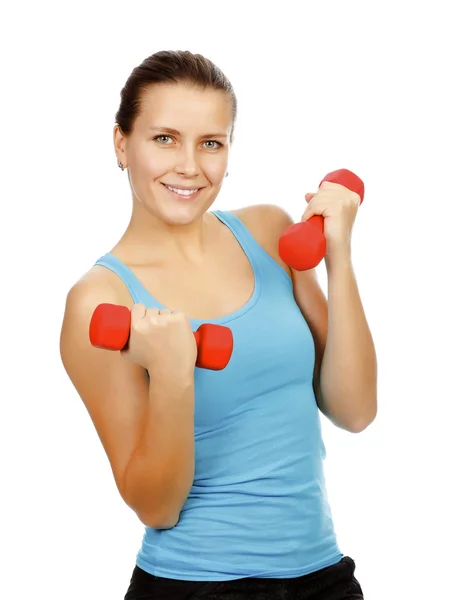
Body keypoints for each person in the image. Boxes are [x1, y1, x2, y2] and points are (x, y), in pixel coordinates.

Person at [59, 49, 377, 599]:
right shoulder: (99, 301)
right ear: (121, 144)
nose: (189, 165)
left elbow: (355, 410)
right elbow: (156, 505)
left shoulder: (269, 234)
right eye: (164, 138)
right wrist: (174, 376)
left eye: (211, 142)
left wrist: (339, 258)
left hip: (324, 577)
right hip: (196, 586)